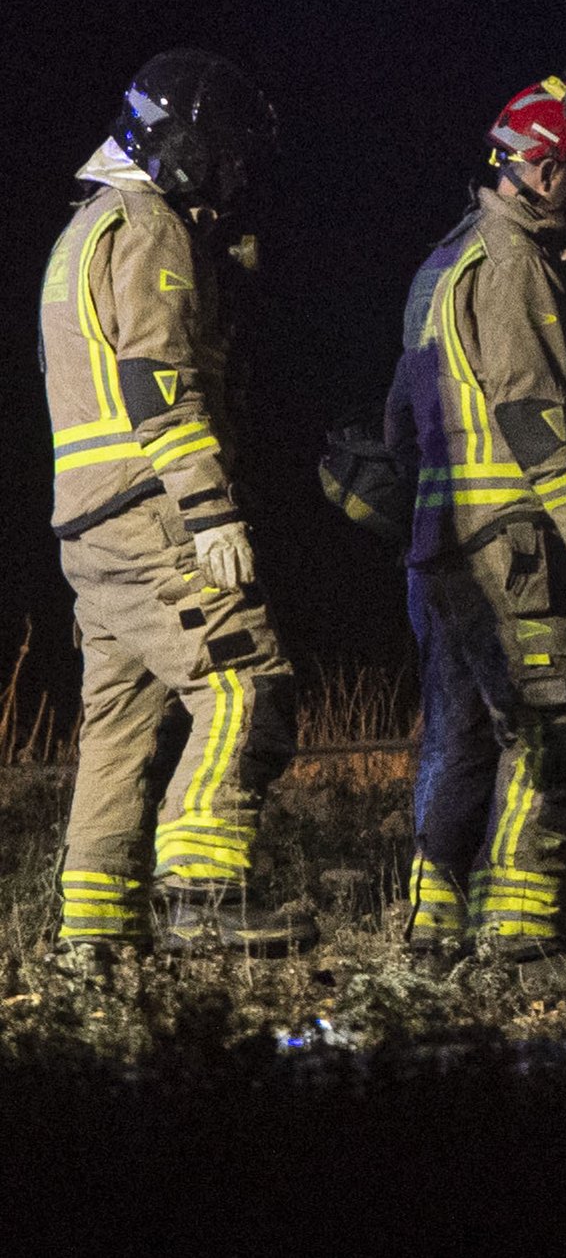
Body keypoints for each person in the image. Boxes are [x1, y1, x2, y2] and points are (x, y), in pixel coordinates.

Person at [40, 50, 314, 963]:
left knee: (116, 728)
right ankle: (200, 888)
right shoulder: (148, 222)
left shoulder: (84, 228)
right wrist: (210, 509)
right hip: (154, 508)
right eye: (227, 153)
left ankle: (94, 936)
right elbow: (159, 377)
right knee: (246, 682)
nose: (236, 175)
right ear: (186, 143)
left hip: (87, 526)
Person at [386, 76, 566, 970]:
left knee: (462, 739)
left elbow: (399, 425)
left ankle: (435, 929)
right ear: (537, 171)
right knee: (558, 730)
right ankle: (526, 938)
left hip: (448, 547)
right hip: (516, 544)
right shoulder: (515, 263)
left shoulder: (441, 264)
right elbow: (537, 416)